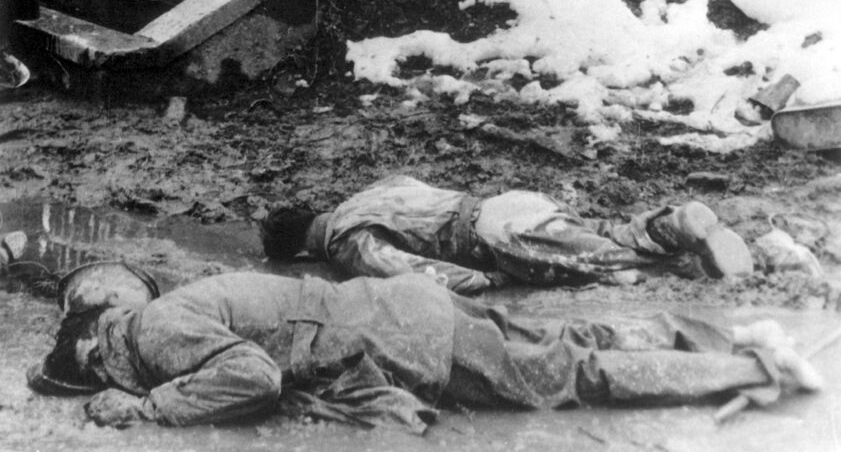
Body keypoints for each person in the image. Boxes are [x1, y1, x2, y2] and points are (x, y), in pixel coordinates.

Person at [27, 260, 821, 430]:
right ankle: (719, 335)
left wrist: (154, 406)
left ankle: (747, 367)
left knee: (570, 379)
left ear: (97, 345)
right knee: (561, 336)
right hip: (401, 305)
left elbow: (255, 377)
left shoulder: (155, 334)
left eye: (94, 367)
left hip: (404, 337)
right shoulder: (177, 304)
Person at [259, 174, 753, 294]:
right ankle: (670, 225)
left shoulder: (344, 240)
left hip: (494, 235)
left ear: (302, 252)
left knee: (602, 265)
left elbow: (409, 272)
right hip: (507, 203)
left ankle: (689, 262)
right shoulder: (369, 191)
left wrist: (481, 283)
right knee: (603, 237)